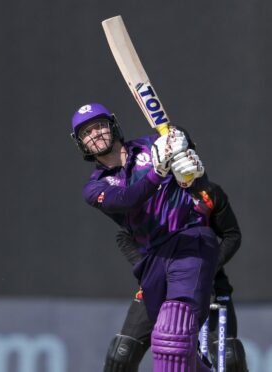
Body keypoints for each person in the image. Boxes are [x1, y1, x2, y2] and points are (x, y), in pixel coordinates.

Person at [71, 102, 216, 371]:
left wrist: (188, 161)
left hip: (188, 240)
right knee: (121, 357)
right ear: (80, 144)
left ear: (112, 125)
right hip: (153, 260)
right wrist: (158, 172)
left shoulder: (153, 145)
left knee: (175, 331)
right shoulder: (95, 188)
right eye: (86, 133)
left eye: (99, 126)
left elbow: (201, 185)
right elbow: (128, 200)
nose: (95, 134)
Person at [104, 180, 248, 371]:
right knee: (121, 355)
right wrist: (150, 268)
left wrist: (203, 269)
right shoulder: (151, 194)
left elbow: (232, 235)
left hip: (208, 282)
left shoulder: (208, 193)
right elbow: (124, 236)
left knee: (230, 358)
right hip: (160, 282)